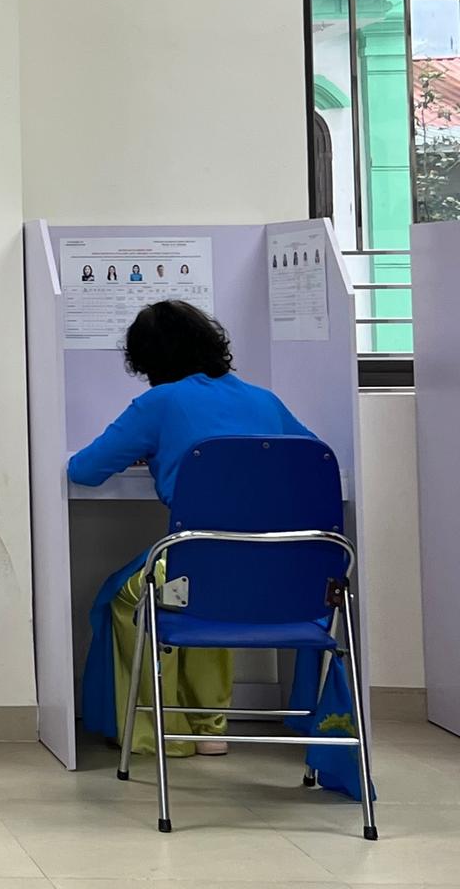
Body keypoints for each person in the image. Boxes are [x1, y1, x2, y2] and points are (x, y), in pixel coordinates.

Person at [68, 300, 315, 759]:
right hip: (281, 571)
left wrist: (154, 451)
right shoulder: (265, 400)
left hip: (199, 562)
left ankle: (160, 729)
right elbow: (316, 461)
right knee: (205, 589)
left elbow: (84, 470)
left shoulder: (160, 403)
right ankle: (211, 727)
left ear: (147, 360)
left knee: (131, 596)